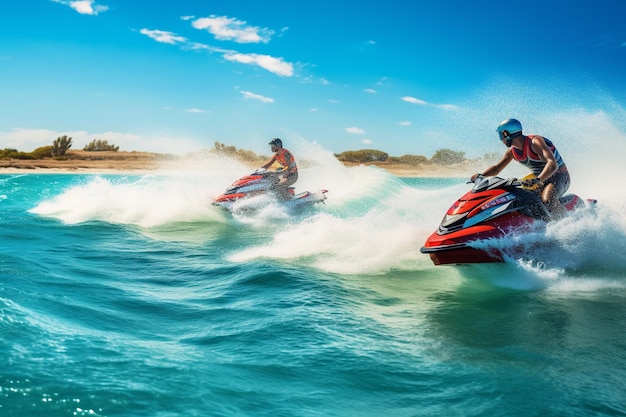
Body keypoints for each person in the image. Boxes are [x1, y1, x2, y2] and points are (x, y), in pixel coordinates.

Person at [471, 118, 570, 220]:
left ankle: (566, 221)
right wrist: (481, 176)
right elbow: (496, 169)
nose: (501, 140)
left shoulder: (535, 142)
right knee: (518, 197)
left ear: (506, 133)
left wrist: (538, 180)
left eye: (501, 135)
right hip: (538, 179)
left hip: (559, 176)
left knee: (547, 200)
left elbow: (552, 165)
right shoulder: (512, 152)